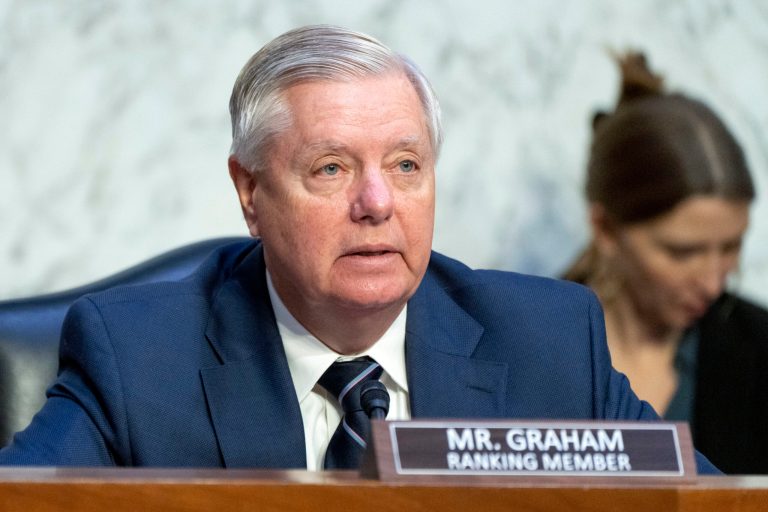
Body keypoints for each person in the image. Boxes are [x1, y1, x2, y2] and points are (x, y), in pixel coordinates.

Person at [0, 26, 717, 473]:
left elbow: (707, 503)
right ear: (250, 193)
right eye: (331, 169)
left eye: (406, 166)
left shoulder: (546, 342)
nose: (377, 204)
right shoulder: (137, 356)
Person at [564, 52, 768, 474]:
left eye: (730, 247)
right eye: (683, 252)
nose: (713, 282)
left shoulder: (759, 352)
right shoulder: (528, 345)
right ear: (606, 229)